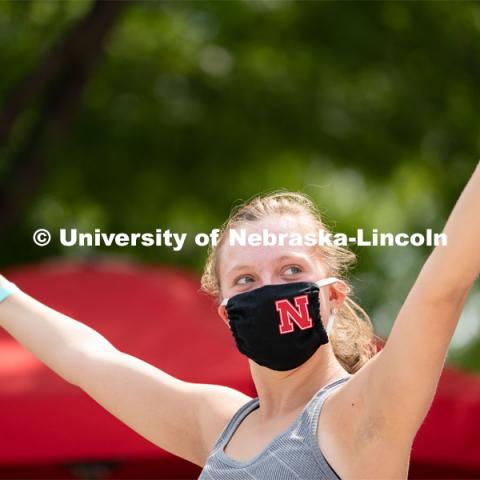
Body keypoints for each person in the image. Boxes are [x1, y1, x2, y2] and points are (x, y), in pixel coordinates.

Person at [1, 162, 479, 480]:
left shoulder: (364, 413)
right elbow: (86, 359)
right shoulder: (218, 424)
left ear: (332, 295)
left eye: (291, 270)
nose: (270, 289)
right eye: (247, 278)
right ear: (226, 312)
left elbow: (443, 287)